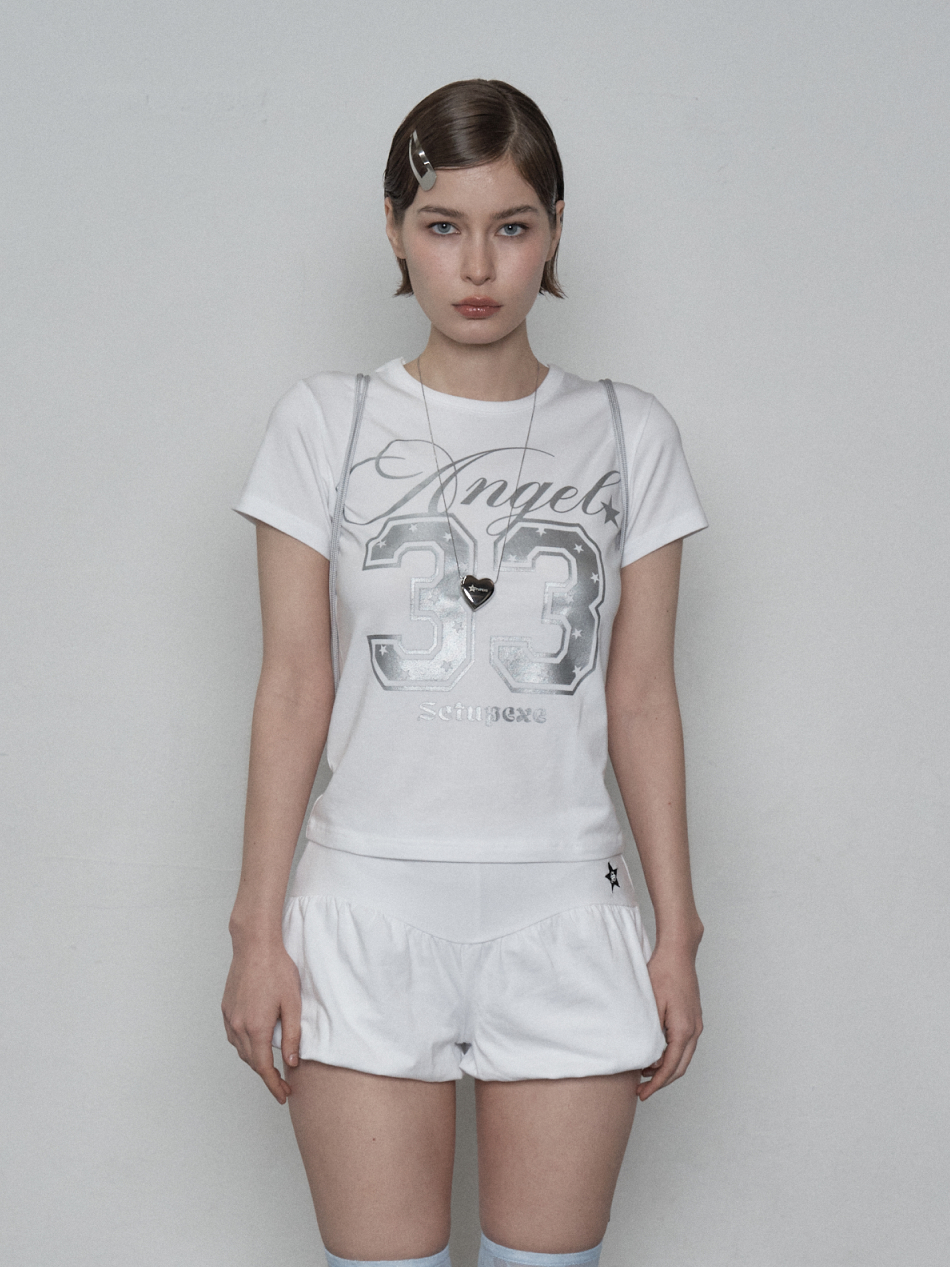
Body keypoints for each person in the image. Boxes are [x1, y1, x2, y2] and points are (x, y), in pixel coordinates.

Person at [222, 78, 706, 1267]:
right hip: (364, 905)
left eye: (511, 226)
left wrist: (677, 929)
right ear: (394, 228)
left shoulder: (628, 432)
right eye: (442, 226)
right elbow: (294, 684)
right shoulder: (325, 423)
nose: (477, 266)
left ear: (554, 230)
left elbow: (641, 696)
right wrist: (254, 930)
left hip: (566, 907)